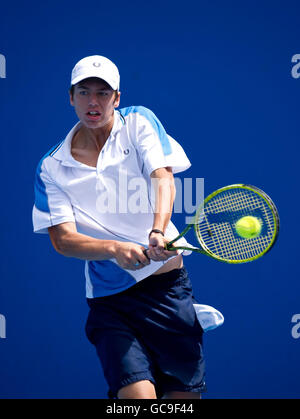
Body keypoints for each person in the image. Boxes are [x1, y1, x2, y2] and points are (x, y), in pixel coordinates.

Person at [32, 55, 207, 399]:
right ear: (71, 97)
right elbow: (63, 239)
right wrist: (113, 249)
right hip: (112, 301)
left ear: (117, 98)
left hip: (169, 291)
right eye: (84, 92)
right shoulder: (51, 167)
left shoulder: (139, 122)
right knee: (137, 399)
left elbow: (163, 178)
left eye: (103, 92)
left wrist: (158, 230)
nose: (93, 102)